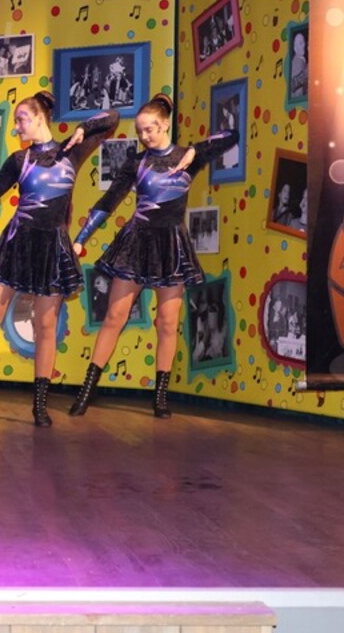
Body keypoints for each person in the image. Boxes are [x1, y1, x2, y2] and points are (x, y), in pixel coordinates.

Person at [0, 91, 118, 428]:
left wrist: (83, 130)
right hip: (17, 245)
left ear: (40, 118)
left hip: (52, 248)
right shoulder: (19, 160)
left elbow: (112, 117)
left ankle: (39, 406)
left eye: (21, 119)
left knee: (45, 327)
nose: (16, 127)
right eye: (15, 121)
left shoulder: (72, 151)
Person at [68, 93, 239, 418]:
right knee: (114, 317)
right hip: (137, 243)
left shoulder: (188, 157)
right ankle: (87, 390)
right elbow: (108, 202)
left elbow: (232, 136)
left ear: (165, 125)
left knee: (168, 322)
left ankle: (160, 397)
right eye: (140, 131)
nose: (144, 136)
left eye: (150, 129)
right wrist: (80, 239)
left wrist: (196, 149)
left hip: (171, 245)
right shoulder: (136, 163)